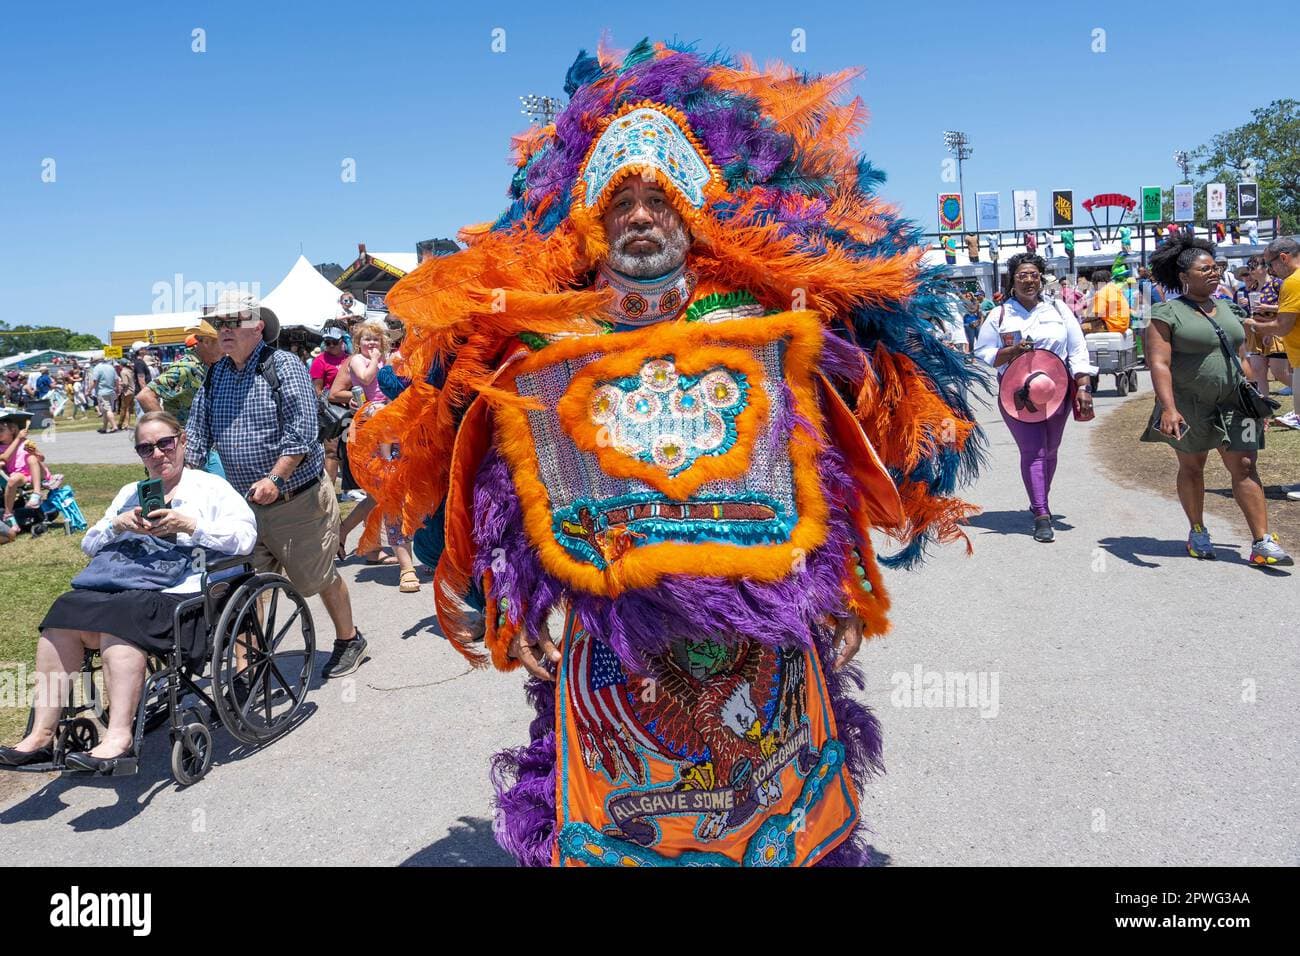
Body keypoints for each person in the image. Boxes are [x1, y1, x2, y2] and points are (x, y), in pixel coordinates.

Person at [350, 44, 981, 867]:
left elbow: (824, 462)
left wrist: (846, 587)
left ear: (691, 215)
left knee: (776, 827)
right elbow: (498, 481)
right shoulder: (547, 341)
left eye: (659, 198)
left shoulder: (763, 323)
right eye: (621, 202)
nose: (640, 216)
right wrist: (509, 597)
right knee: (621, 833)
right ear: (593, 221)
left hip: (764, 631)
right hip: (614, 639)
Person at [0, 411, 258, 770]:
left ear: (182, 441)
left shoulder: (210, 487)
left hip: (182, 590)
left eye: (165, 443)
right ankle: (42, 735)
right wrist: (118, 525)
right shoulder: (129, 493)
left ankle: (119, 737)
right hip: (122, 581)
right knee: (62, 612)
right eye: (145, 448)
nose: (157, 453)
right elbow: (90, 544)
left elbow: (245, 538)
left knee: (122, 619)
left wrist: (189, 525)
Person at [185, 292, 369, 679]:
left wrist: (275, 476)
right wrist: (182, 477)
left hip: (295, 499)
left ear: (259, 327)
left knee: (316, 578)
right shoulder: (217, 372)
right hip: (244, 504)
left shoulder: (283, 365)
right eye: (220, 325)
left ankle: (349, 639)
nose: (225, 331)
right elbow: (198, 430)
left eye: (234, 323)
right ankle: (246, 673)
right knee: (245, 587)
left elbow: (302, 431)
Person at [1141, 236, 1291, 565]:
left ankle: (1262, 541)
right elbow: (1159, 364)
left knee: (1246, 466)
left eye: (1216, 268)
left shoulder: (1229, 309)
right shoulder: (1166, 314)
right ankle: (1197, 531)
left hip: (1236, 402)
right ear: (1184, 276)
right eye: (1205, 269)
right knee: (1193, 468)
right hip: (1188, 404)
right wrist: (1168, 407)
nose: (1214, 273)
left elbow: (1242, 356)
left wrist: (1258, 398)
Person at [975, 252, 1096, 542]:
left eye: (1033, 274)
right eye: (1021, 275)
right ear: (1012, 280)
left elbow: (1077, 349)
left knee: (1051, 450)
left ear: (1040, 278)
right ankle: (1042, 514)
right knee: (1034, 451)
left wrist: (1083, 386)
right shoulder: (1000, 314)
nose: (1028, 280)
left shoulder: (1058, 310)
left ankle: (1038, 496)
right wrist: (1011, 352)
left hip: (1056, 391)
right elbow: (982, 353)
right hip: (1016, 395)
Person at [331, 322, 418, 588]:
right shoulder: (359, 360)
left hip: (395, 422)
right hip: (374, 425)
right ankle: (407, 565)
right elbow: (353, 385)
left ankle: (347, 534)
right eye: (367, 340)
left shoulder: (390, 358)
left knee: (378, 495)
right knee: (390, 491)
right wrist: (356, 398)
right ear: (358, 343)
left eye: (375, 340)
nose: (371, 344)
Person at [137, 320, 225, 478]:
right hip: (192, 448)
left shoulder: (209, 366)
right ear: (205, 342)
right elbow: (145, 396)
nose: (226, 348)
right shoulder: (186, 368)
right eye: (222, 342)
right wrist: (171, 431)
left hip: (208, 445)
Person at [1235, 256, 1291, 404]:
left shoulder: (1277, 284)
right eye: (1249, 267)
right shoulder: (1252, 287)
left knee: (1279, 373)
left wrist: (1267, 307)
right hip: (1256, 331)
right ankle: (1264, 411)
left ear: (1265, 268)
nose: (1251, 270)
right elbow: (1253, 310)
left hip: (1275, 329)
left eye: (1254, 267)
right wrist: (1245, 304)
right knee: (1258, 372)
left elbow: (1289, 308)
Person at [311, 325, 351, 494]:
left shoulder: (350, 358)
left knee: (349, 451)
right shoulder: (320, 360)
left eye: (334, 342)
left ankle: (349, 489)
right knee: (332, 453)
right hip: (332, 414)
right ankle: (329, 493)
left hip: (351, 410)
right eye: (327, 342)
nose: (330, 346)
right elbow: (317, 391)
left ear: (342, 342)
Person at [1, 412, 46, 525]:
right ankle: (8, 514)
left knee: (31, 458)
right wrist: (18, 439)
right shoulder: (1, 448)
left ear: (12, 430)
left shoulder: (25, 442)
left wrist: (35, 452)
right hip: (20, 475)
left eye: (1, 430)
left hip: (36, 472)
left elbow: (42, 458)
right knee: (12, 480)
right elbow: (5, 457)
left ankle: (36, 494)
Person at [1091, 266, 1131, 333]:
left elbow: (1097, 314)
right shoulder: (1115, 288)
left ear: (1096, 282)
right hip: (1124, 325)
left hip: (1113, 326)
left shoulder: (1102, 292)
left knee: (1080, 328)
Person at [115, 360, 136, 429]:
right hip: (132, 391)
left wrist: (118, 383)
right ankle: (126, 424)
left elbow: (125, 383)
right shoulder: (130, 370)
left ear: (121, 364)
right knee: (128, 408)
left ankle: (120, 424)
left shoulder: (123, 372)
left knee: (123, 409)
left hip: (127, 392)